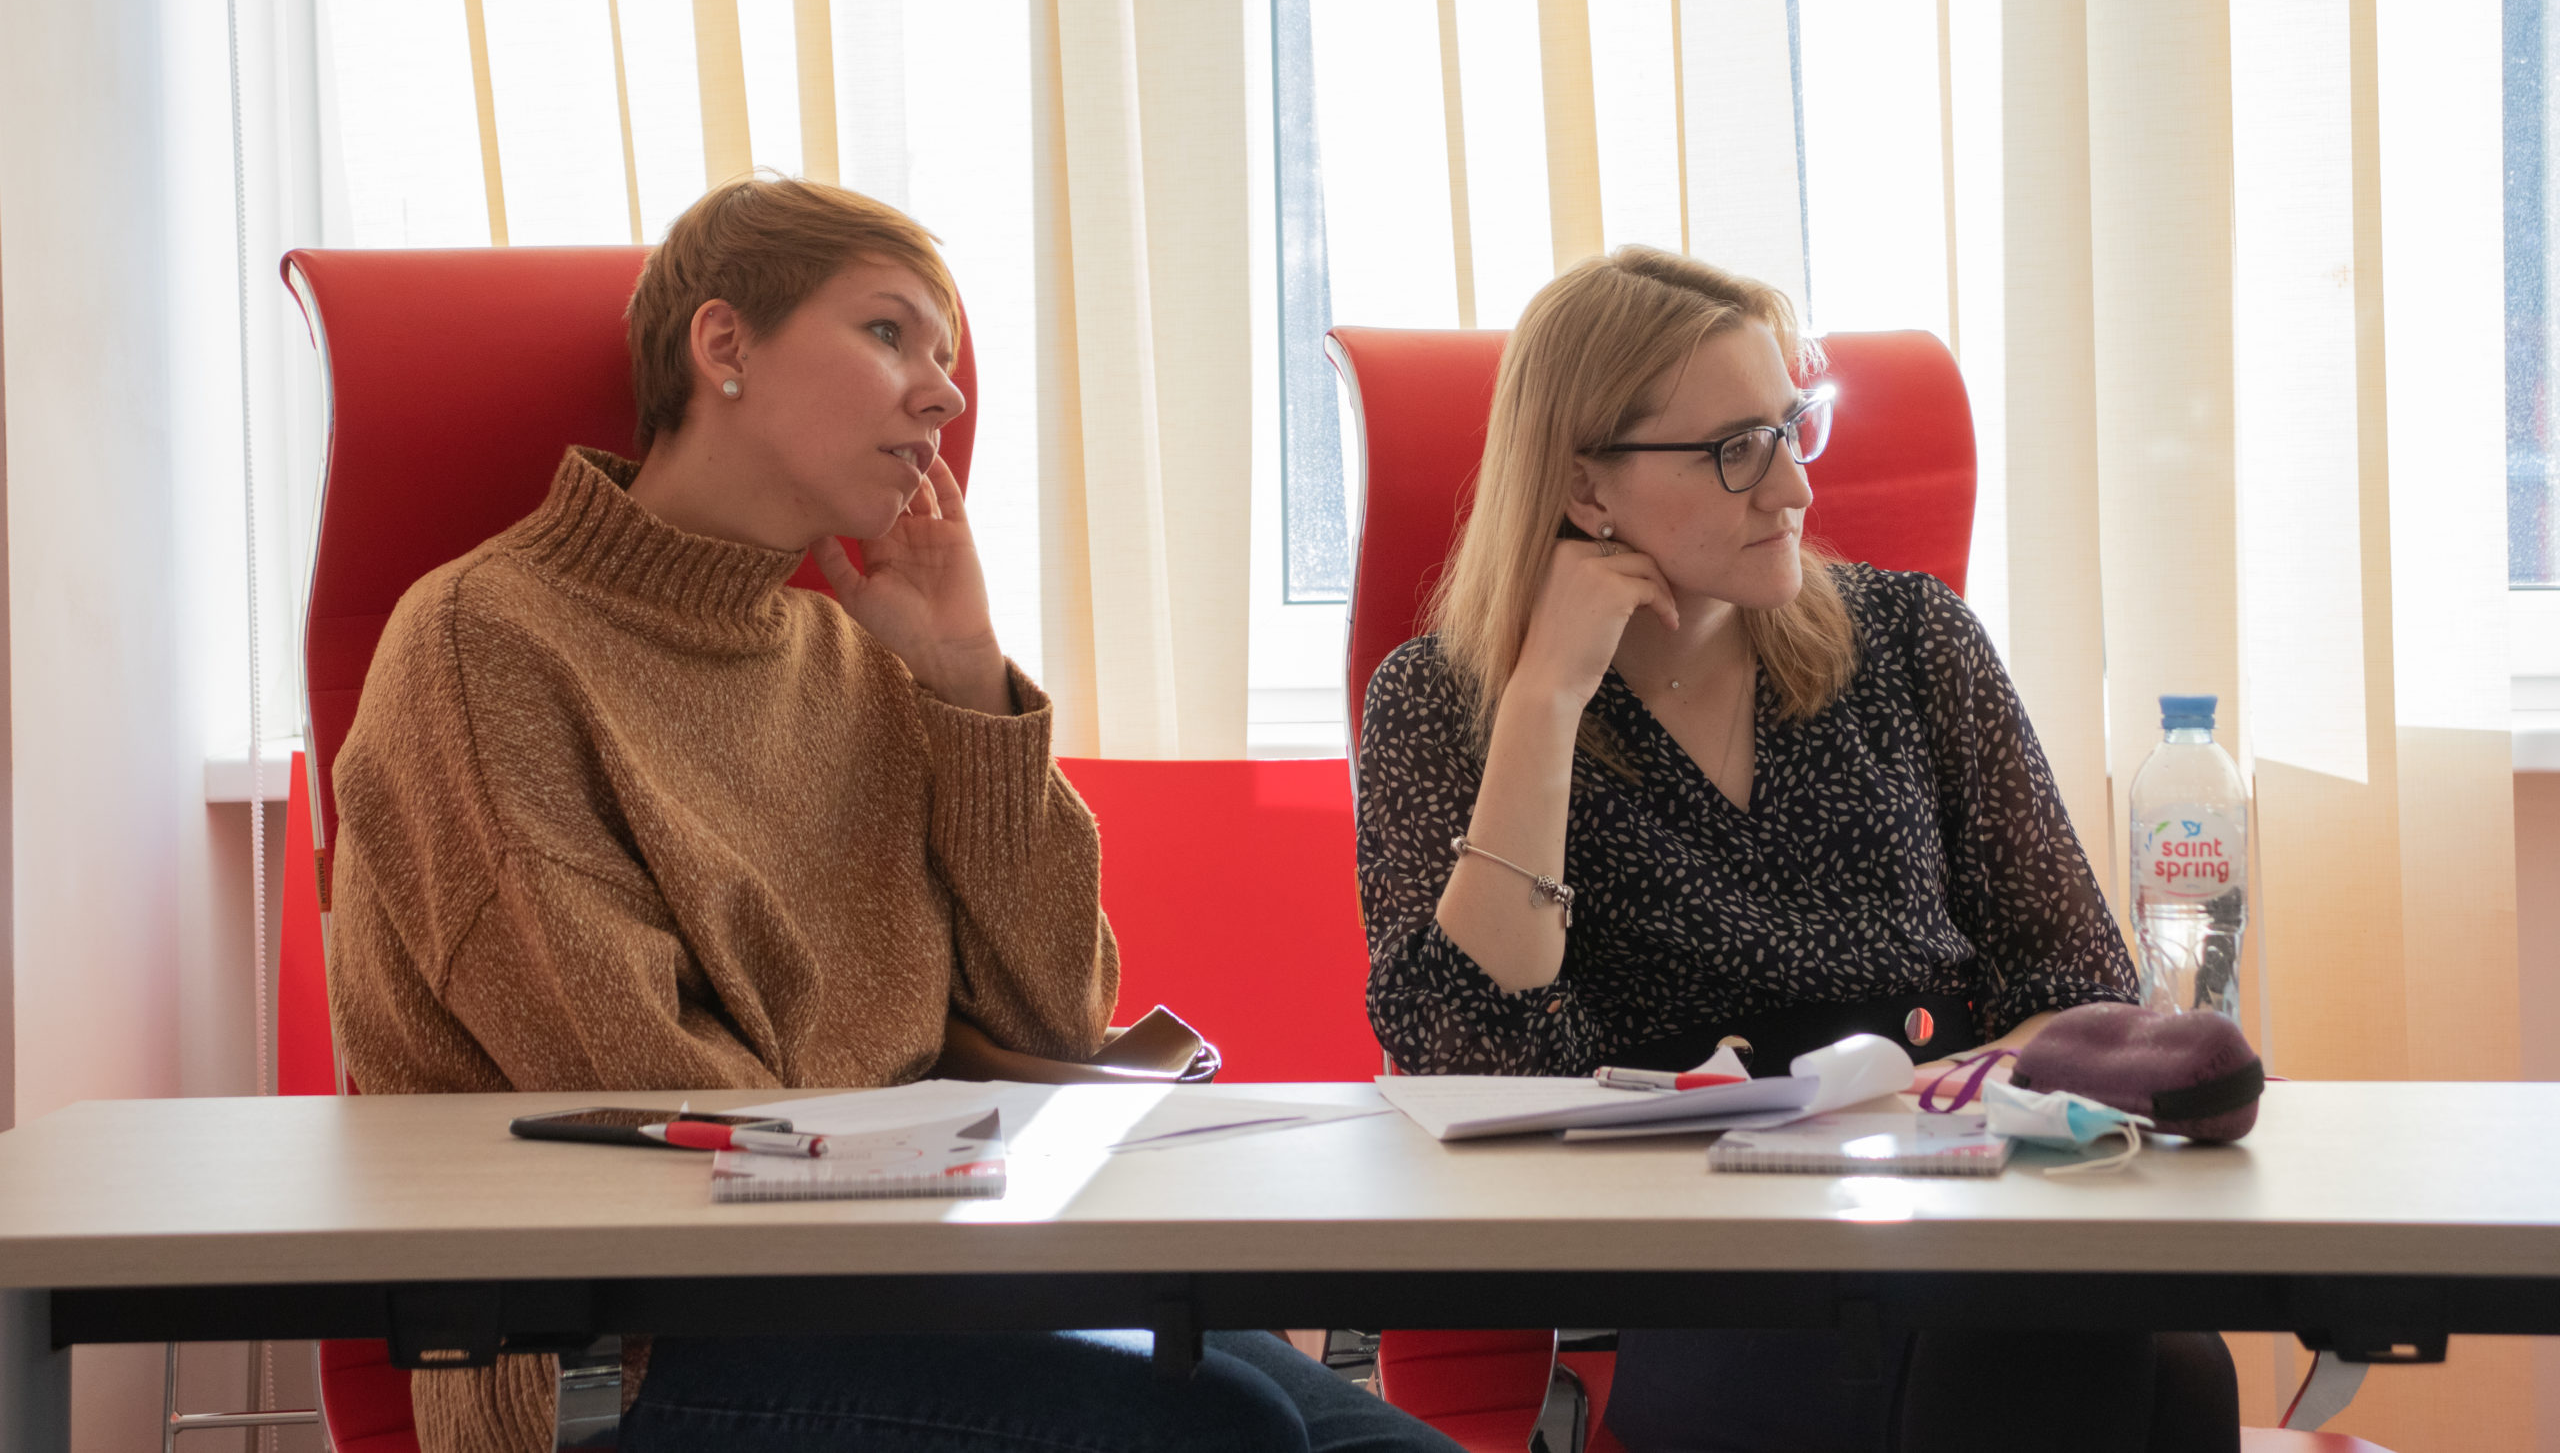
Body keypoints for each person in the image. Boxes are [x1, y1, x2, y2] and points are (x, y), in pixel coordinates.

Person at [329, 175, 1456, 1453]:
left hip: (935, 1270)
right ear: (723, 343)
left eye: (948, 359)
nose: (943, 395)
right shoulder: (483, 640)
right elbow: (632, 1084)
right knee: (1223, 1432)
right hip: (631, 1342)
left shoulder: (857, 658)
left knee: (1391, 1449)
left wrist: (968, 684)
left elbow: (1051, 1015)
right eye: (888, 332)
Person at [1354, 247, 2239, 1453]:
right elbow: (1467, 1059)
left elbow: (2079, 992)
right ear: (1581, 484)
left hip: (1947, 1203)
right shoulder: (1441, 703)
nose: (1793, 488)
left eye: (1790, 428)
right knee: (2108, 1363)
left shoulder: (1914, 643)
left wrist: (1926, 1105)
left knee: (2154, 1357)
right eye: (1735, 450)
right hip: (1683, 1263)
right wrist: (1547, 696)